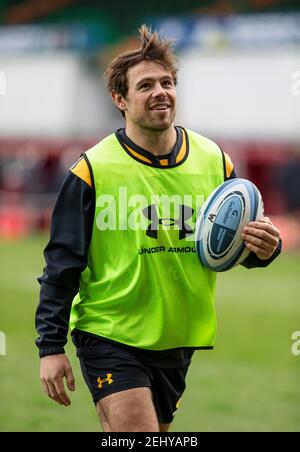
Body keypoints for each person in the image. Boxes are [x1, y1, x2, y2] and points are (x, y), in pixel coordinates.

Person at [35, 25, 282, 433]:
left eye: (167, 82)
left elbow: (232, 245)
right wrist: (50, 347)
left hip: (178, 337)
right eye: (145, 85)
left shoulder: (214, 160)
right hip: (109, 333)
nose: (160, 92)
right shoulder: (91, 169)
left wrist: (265, 247)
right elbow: (61, 265)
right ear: (120, 98)